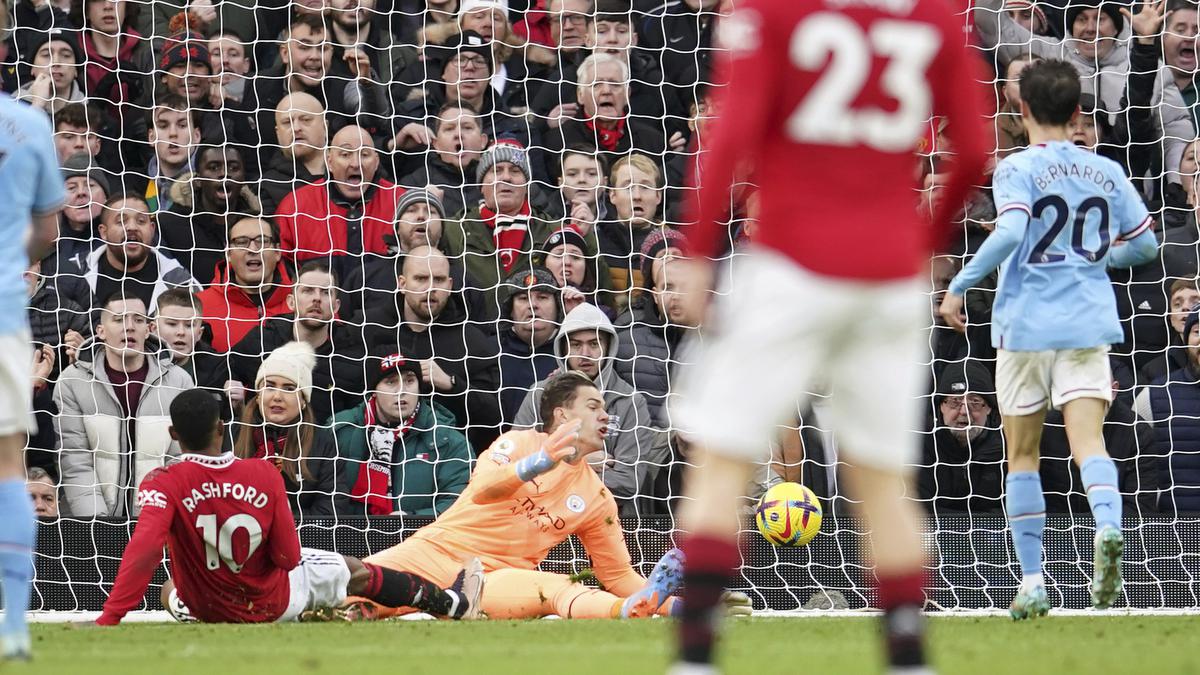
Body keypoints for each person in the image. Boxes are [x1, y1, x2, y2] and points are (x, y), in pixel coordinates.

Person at [669, 0, 990, 671]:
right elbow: (976, 149)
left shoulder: (776, 8)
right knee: (881, 477)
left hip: (790, 261)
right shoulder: (933, 13)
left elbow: (728, 135)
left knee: (724, 454)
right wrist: (925, 242)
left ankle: (695, 653)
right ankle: (907, 652)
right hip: (891, 273)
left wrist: (698, 250)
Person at [940, 60, 1159, 620]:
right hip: (1087, 322)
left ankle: (1034, 581)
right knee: (1090, 444)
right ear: (1078, 112)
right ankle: (1107, 527)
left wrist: (960, 284)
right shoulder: (1106, 171)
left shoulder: (1015, 170)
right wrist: (1094, 258)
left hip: (1027, 326)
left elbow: (1011, 230)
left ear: (1023, 110)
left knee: (1023, 454)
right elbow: (1147, 248)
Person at [350, 371, 735, 621]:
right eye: (593, 406)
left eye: (605, 408)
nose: (606, 416)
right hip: (433, 551)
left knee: (552, 589)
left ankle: (627, 614)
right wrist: (538, 463)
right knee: (348, 595)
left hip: (494, 578)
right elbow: (482, 491)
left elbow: (616, 573)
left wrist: (681, 606)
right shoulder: (518, 443)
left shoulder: (598, 497)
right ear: (561, 416)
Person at [96, 388, 484, 625]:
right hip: (272, 603)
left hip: (209, 608)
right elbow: (287, 555)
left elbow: (144, 548)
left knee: (169, 588)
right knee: (352, 570)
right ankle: (452, 603)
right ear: (221, 429)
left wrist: (111, 616)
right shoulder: (263, 473)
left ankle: (316, 611)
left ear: (173, 435)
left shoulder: (161, 482)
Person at [0, 62, 64, 660]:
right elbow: (46, 231)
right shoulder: (26, 124)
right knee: (10, 469)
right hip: (4, 316)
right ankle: (13, 626)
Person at [513, 303, 662, 514]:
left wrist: (550, 469)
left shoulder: (630, 402)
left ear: (609, 346)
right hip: (543, 514)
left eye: (594, 344)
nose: (585, 354)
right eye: (575, 345)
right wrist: (578, 460)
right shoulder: (539, 394)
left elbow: (627, 482)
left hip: (609, 516)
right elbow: (516, 463)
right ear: (563, 348)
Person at [56, 291, 194, 518]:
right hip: (90, 523)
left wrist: (153, 520)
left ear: (149, 329)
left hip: (157, 521)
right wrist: (98, 524)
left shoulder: (179, 381)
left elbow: (179, 460)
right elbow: (74, 461)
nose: (129, 327)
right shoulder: (72, 381)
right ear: (101, 331)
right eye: (119, 320)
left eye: (138, 320)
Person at [332, 346, 472, 516]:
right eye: (391, 382)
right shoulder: (338, 431)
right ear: (373, 390)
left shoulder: (448, 441)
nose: (402, 391)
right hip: (351, 538)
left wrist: (412, 520)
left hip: (423, 539)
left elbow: (460, 504)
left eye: (409, 381)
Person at [229, 260, 364, 424]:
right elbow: (224, 371)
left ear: (336, 306)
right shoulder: (262, 340)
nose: (316, 299)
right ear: (291, 302)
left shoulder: (353, 357)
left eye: (325, 292)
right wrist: (237, 406)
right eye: (308, 291)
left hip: (326, 447)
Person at [232, 341, 350, 518]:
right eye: (270, 386)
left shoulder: (323, 442)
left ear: (303, 400)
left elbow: (331, 508)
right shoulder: (231, 433)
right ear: (257, 396)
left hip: (301, 540)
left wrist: (282, 527)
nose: (277, 396)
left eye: (289, 389)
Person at [273, 124, 403, 278]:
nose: (355, 163)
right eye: (345, 154)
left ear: (376, 162)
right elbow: (282, 274)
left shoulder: (401, 202)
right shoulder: (294, 207)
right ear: (329, 162)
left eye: (364, 154)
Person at [80, 193, 201, 314]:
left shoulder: (181, 283)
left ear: (152, 229)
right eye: (121, 221)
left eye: (141, 221)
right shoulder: (75, 271)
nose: (132, 227)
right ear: (103, 232)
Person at [159, 144, 258, 286]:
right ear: (198, 180)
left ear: (243, 179)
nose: (224, 173)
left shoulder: (260, 226)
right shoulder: (169, 225)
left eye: (234, 168)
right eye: (214, 167)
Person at [197, 216, 294, 354]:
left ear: (278, 252)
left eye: (262, 241)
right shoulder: (199, 307)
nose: (253, 249)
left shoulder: (306, 303)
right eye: (242, 242)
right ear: (228, 253)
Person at [918, 361, 1005, 513]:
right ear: (941, 406)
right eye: (954, 402)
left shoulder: (1007, 449)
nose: (964, 411)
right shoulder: (922, 447)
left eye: (975, 402)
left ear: (990, 408)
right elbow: (917, 511)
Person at [496, 267, 562, 425]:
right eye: (523, 298)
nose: (533, 305)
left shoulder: (569, 354)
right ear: (510, 309)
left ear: (557, 307)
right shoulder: (489, 350)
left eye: (543, 297)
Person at [259, 92, 328, 217]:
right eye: (287, 122)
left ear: (325, 126)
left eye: (306, 120)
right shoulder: (267, 186)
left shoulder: (351, 172)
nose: (296, 128)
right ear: (278, 133)